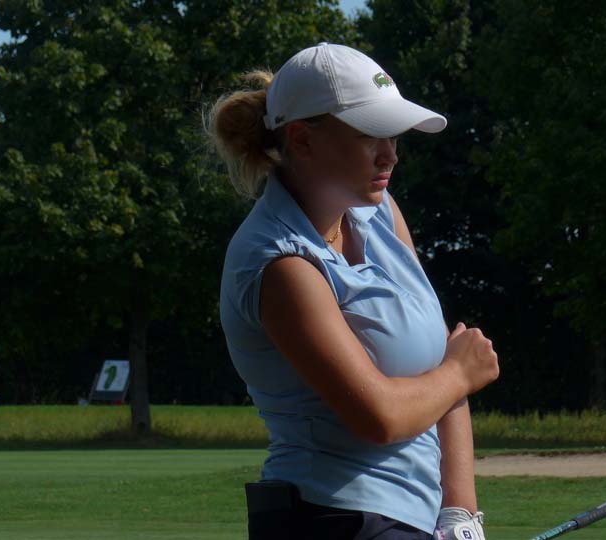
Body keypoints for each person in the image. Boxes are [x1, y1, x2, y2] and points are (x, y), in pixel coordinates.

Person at [207, 43, 500, 540]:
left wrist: (461, 515)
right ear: (301, 140)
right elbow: (380, 416)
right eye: (370, 135)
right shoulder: (279, 263)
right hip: (330, 518)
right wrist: (459, 374)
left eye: (392, 136)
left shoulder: (379, 211)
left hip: (411, 522)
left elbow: (439, 358)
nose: (391, 153)